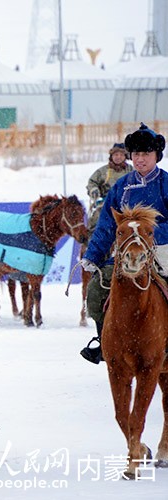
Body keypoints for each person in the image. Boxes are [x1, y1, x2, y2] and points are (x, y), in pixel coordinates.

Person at [80, 123, 167, 364]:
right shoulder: (121, 186)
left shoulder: (165, 184)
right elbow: (107, 225)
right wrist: (93, 255)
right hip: (126, 255)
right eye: (136, 154)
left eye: (146, 154)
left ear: (156, 156)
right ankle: (105, 343)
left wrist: (147, 233)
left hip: (161, 252)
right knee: (96, 290)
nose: (140, 159)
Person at [85, 143, 132, 236]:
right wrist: (94, 190)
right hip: (106, 203)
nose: (118, 157)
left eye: (121, 155)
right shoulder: (103, 171)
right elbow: (92, 182)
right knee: (96, 219)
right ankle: (91, 242)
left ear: (125, 156)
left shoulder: (131, 171)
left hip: (128, 204)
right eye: (115, 155)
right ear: (111, 156)